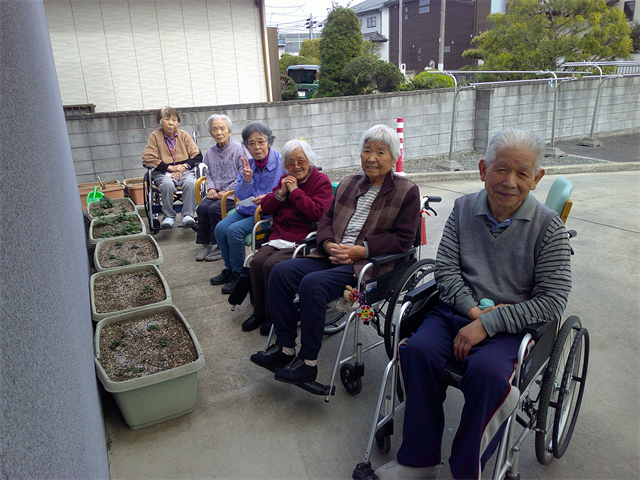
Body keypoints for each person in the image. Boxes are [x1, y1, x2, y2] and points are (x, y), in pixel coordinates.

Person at [373, 129, 572, 480]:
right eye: (501, 169)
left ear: (537, 178)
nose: (510, 181)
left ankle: (467, 471)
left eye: (522, 173)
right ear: (483, 169)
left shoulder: (548, 227)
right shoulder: (464, 208)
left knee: (489, 376)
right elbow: (446, 268)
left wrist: (488, 324)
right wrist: (471, 311)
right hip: (456, 311)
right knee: (417, 350)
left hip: (511, 326)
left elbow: (552, 300)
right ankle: (419, 461)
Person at [250, 124, 420, 385]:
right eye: (367, 151)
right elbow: (326, 219)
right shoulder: (350, 183)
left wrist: (361, 250)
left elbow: (403, 239)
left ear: (394, 157)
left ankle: (308, 363)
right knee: (281, 272)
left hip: (366, 265)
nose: (372, 158)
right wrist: (328, 243)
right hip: (331, 254)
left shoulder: (406, 190)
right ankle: (285, 349)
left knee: (311, 286)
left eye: (381, 152)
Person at [241, 139, 333, 336]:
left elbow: (318, 213)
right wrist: (281, 192)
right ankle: (259, 312)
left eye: (300, 160)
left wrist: (296, 192)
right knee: (256, 261)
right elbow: (265, 206)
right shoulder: (285, 179)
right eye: (290, 162)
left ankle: (273, 315)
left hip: (302, 239)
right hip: (278, 236)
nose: (296, 166)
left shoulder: (321, 181)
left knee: (271, 265)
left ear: (309, 161)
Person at [210, 122, 284, 294]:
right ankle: (229, 269)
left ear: (269, 142)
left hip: (267, 213)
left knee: (234, 231)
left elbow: (282, 192)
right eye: (251, 143)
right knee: (220, 228)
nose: (257, 147)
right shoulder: (248, 164)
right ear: (246, 147)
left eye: (261, 141)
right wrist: (247, 180)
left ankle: (239, 273)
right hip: (248, 208)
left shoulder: (281, 163)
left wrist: (268, 198)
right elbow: (241, 196)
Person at [195, 114, 248, 262]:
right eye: (215, 129)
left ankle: (219, 245)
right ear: (211, 133)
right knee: (202, 208)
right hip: (216, 193)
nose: (219, 132)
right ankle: (206, 245)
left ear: (229, 131)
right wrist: (211, 189)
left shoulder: (239, 149)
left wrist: (226, 191)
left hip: (234, 194)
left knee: (214, 209)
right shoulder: (211, 151)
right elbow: (209, 174)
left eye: (222, 128)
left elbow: (242, 175)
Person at [142, 107, 202, 228]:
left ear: (178, 122)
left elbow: (197, 155)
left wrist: (184, 166)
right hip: (163, 172)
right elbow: (147, 158)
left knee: (191, 182)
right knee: (167, 184)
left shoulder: (183, 135)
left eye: (174, 120)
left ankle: (188, 216)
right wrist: (169, 168)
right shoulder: (155, 136)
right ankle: (168, 217)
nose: (171, 122)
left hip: (184, 170)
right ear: (160, 121)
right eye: (167, 119)